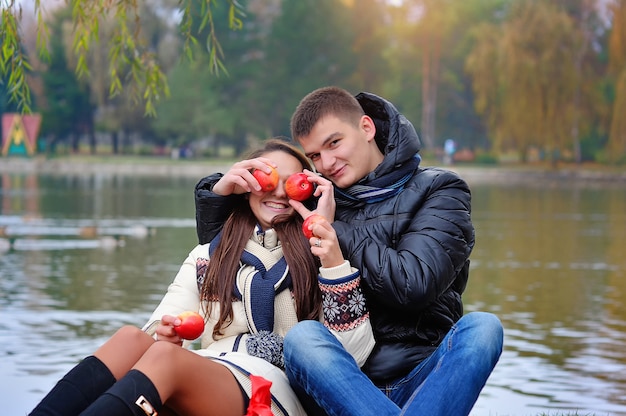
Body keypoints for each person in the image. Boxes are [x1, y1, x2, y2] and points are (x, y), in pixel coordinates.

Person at [194, 87, 504, 416]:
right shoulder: (315, 197)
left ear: (366, 128)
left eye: (334, 143)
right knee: (303, 338)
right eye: (314, 156)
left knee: (483, 329)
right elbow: (228, 245)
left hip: (423, 375)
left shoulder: (440, 189)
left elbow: (414, 284)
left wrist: (333, 230)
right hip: (333, 378)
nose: (327, 163)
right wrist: (218, 191)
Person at [30, 138, 373, 416]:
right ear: (247, 184)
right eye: (268, 178)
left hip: (277, 391)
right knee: (131, 339)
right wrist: (166, 331)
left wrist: (331, 257)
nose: (280, 192)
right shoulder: (210, 255)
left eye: (292, 183)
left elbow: (351, 358)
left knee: (166, 360)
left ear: (310, 190)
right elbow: (159, 333)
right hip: (208, 373)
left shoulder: (323, 253)